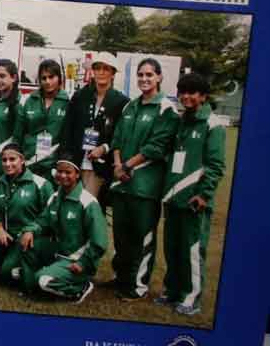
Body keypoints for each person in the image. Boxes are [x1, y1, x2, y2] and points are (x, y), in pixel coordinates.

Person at [108, 58, 180, 301]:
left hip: (145, 188)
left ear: (159, 77)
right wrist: (118, 165)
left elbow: (156, 147)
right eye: (141, 75)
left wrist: (127, 165)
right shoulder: (130, 106)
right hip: (121, 184)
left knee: (143, 238)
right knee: (121, 236)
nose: (144, 79)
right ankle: (121, 278)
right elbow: (116, 139)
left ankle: (137, 286)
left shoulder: (166, 109)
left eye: (149, 75)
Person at [157, 73, 225, 316]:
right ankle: (172, 290)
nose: (186, 97)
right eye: (182, 92)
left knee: (192, 250)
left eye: (192, 93)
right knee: (172, 247)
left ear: (203, 96)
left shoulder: (212, 124)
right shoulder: (180, 121)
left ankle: (191, 297)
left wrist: (203, 195)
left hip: (194, 201)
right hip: (173, 199)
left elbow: (216, 165)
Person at [18, 154, 108, 304]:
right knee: (28, 246)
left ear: (77, 174)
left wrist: (83, 263)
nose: (62, 175)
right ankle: (32, 286)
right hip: (57, 253)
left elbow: (100, 241)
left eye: (68, 172)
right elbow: (42, 221)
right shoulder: (55, 197)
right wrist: (30, 230)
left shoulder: (88, 202)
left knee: (43, 280)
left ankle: (80, 288)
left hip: (76, 260)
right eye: (60, 171)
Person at [0, 144, 53, 281]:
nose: (7, 164)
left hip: (29, 237)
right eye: (4, 160)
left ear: (22, 160)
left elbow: (48, 216)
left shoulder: (41, 184)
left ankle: (38, 264)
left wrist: (31, 230)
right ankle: (3, 261)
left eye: (12, 159)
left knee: (7, 273)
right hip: (7, 235)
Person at [59, 52, 129, 198]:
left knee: (88, 206)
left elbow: (121, 134)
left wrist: (104, 148)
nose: (101, 72)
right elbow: (68, 129)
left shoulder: (121, 101)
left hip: (100, 166)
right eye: (97, 68)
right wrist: (66, 158)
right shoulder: (80, 96)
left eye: (106, 68)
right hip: (75, 162)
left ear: (113, 73)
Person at [14, 59, 70, 186]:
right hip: (29, 163)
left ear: (59, 78)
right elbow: (18, 134)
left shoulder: (69, 102)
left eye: (51, 77)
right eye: (43, 78)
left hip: (54, 167)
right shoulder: (28, 100)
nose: (48, 81)